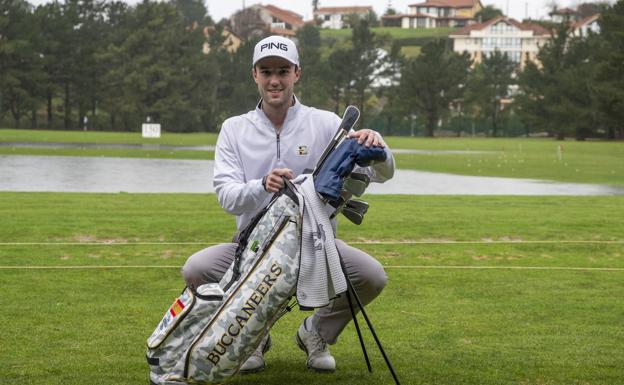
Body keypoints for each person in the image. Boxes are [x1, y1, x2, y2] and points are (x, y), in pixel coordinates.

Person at [181, 35, 395, 374]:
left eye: (283, 70)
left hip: (317, 244)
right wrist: (262, 185)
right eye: (266, 71)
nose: (275, 80)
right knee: (196, 269)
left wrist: (378, 145)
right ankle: (253, 336)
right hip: (251, 247)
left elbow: (382, 175)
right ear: (254, 75)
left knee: (371, 276)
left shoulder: (325, 123)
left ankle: (316, 333)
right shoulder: (234, 129)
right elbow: (227, 196)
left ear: (297, 73)